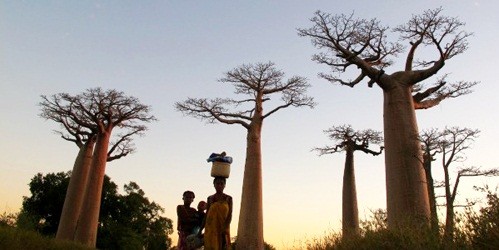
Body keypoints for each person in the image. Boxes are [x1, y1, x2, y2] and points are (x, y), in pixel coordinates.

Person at [199, 177, 233, 250]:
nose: (219, 185)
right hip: (211, 228)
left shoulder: (228, 198)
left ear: (225, 185)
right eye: (217, 183)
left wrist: (225, 227)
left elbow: (230, 215)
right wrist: (200, 230)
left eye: (222, 183)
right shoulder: (210, 198)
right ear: (214, 185)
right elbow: (207, 215)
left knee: (223, 246)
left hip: (223, 228)